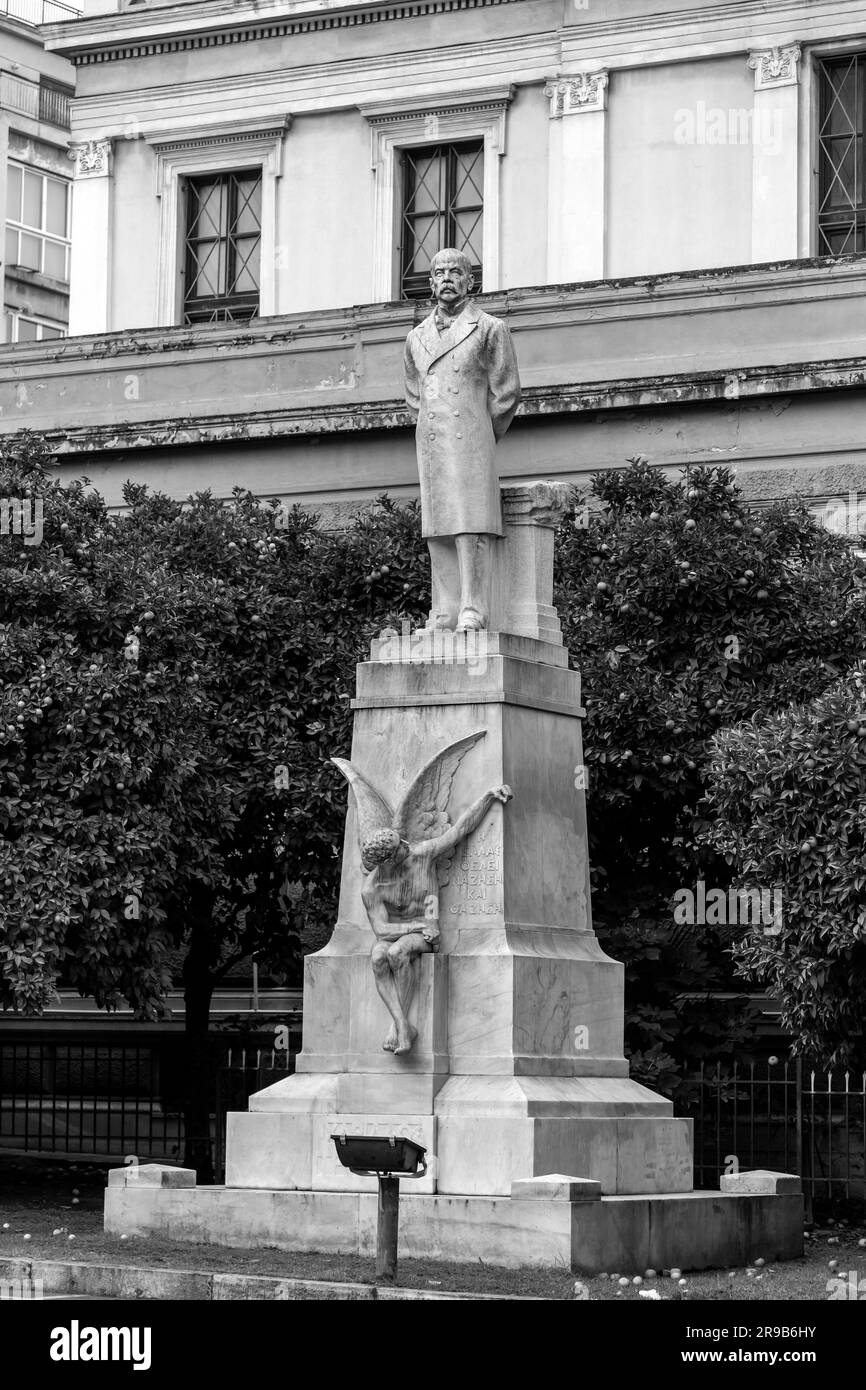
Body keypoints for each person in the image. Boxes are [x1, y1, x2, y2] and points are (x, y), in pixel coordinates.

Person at [403, 248, 521, 631]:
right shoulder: (415, 337)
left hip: (471, 434)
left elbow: (505, 394)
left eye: (457, 272)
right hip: (433, 438)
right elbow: (414, 396)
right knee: (438, 524)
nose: (448, 278)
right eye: (440, 272)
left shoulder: (490, 328)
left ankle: (473, 606)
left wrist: (482, 433)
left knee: (470, 521)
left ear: (470, 282)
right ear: (432, 282)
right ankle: (444, 608)